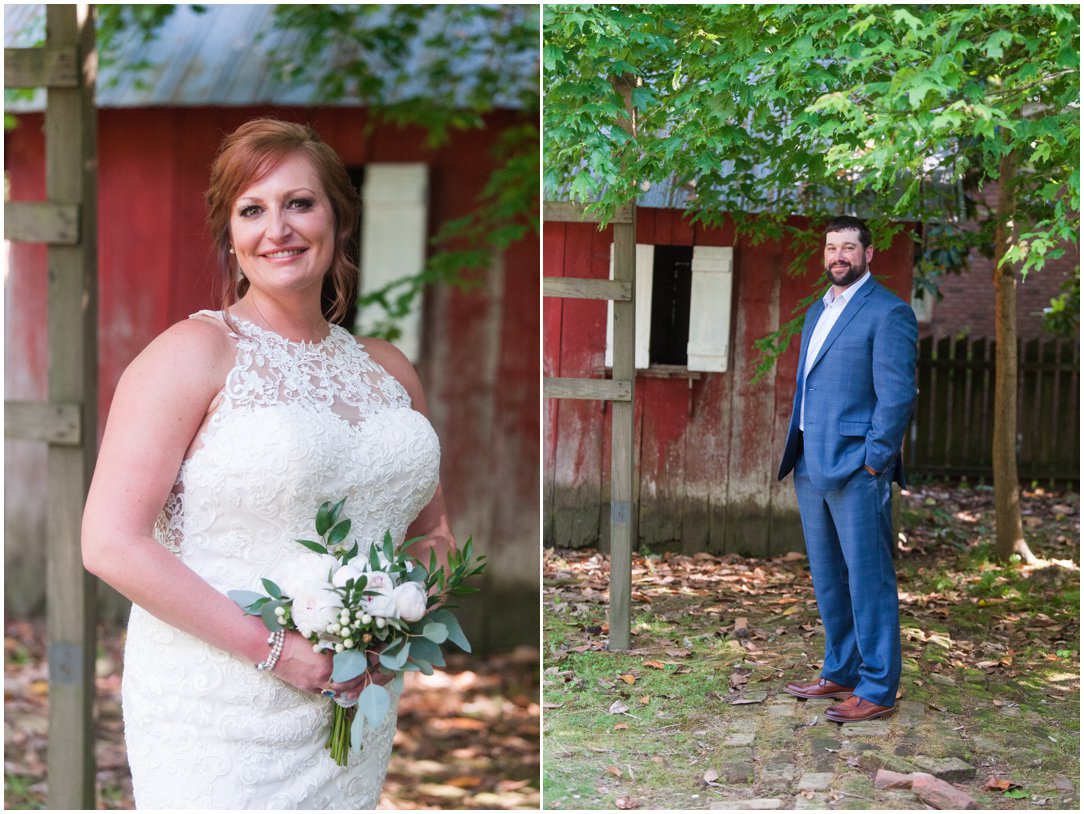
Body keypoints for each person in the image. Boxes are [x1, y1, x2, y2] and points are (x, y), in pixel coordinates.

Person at [82, 118, 454, 808]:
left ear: (339, 219)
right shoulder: (189, 356)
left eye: (299, 203)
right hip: (219, 707)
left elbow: (435, 537)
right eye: (252, 210)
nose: (276, 228)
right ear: (230, 233)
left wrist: (389, 626)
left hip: (355, 697)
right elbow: (110, 543)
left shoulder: (389, 369)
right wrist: (278, 650)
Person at [776, 215, 917, 723]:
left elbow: (898, 394)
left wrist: (875, 462)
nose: (839, 256)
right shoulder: (818, 310)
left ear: (868, 253)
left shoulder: (889, 312)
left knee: (868, 578)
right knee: (829, 577)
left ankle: (878, 688)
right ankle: (842, 669)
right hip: (811, 464)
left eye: (849, 248)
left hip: (858, 467)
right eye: (831, 247)